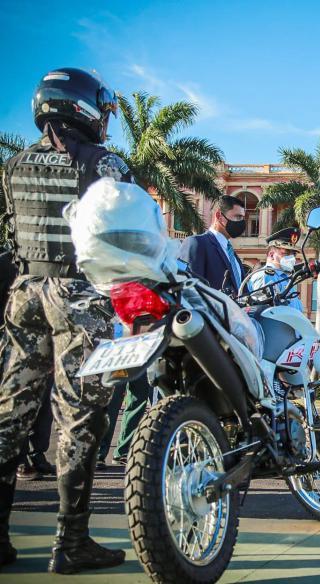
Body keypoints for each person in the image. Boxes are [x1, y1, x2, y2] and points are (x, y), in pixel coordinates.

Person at [0, 67, 132, 573]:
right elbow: (126, 223)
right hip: (77, 295)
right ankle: (70, 541)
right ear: (82, 108)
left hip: (24, 295)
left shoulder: (13, 167)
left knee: (11, 414)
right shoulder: (102, 162)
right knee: (79, 416)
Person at [178, 195, 246, 294]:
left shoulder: (232, 254)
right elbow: (188, 289)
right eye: (238, 217)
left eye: (243, 218)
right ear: (219, 216)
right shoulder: (197, 243)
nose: (242, 222)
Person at [248, 227, 303, 312]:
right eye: (286, 253)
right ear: (271, 255)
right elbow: (264, 314)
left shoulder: (286, 278)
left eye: (293, 254)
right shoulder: (265, 276)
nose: (291, 258)